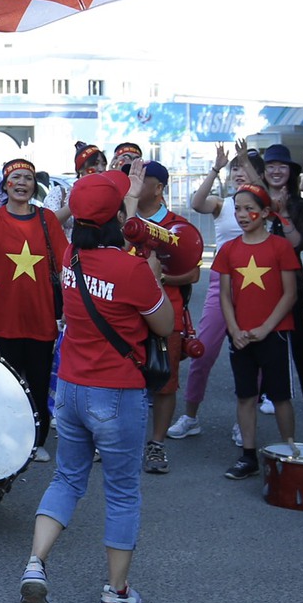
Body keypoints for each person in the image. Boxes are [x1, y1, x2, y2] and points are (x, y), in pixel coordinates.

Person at [19, 165, 172, 603]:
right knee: (122, 492)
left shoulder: (70, 257)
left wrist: (121, 204)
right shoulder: (133, 270)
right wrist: (156, 275)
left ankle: (35, 564)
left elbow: (95, 225)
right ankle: (115, 592)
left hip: (70, 387)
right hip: (116, 393)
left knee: (68, 479)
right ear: (115, 221)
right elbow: (162, 325)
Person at [0, 158, 66, 460]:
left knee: (37, 384)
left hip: (39, 318)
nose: (22, 183)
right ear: (6, 186)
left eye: (28, 178)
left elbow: (65, 264)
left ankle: (36, 441)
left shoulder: (47, 220)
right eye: (16, 178)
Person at [214, 186, 300, 480]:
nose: (241, 215)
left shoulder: (280, 247)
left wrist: (266, 327)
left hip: (274, 333)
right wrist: (234, 329)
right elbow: (225, 296)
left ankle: (291, 450)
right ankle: (248, 455)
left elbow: (290, 294)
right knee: (245, 395)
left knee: (280, 396)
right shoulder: (229, 249)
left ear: (265, 213)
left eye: (248, 208)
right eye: (237, 208)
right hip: (240, 336)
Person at [238, 143, 303, 419]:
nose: (276, 171)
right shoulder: (257, 199)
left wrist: (282, 213)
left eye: (282, 166)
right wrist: (243, 160)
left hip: (291, 285)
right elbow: (253, 183)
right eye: (271, 166)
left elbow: (296, 244)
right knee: (262, 342)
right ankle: (268, 394)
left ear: (291, 171)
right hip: (257, 282)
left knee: (299, 341)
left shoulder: (301, 205)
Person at [126, 161, 201, 475]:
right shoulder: (122, 220)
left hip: (165, 315)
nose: (134, 184)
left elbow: (194, 272)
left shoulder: (177, 225)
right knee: (122, 381)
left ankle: (156, 444)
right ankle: (119, 442)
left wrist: (157, 280)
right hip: (124, 315)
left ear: (158, 188)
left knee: (165, 383)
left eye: (142, 180)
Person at [172, 144, 248, 441]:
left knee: (249, 355)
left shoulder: (263, 206)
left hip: (255, 284)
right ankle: (190, 416)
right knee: (203, 350)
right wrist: (216, 168)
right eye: (236, 171)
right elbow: (196, 202)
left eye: (245, 170)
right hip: (222, 280)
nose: (240, 175)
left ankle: (245, 421)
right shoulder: (222, 204)